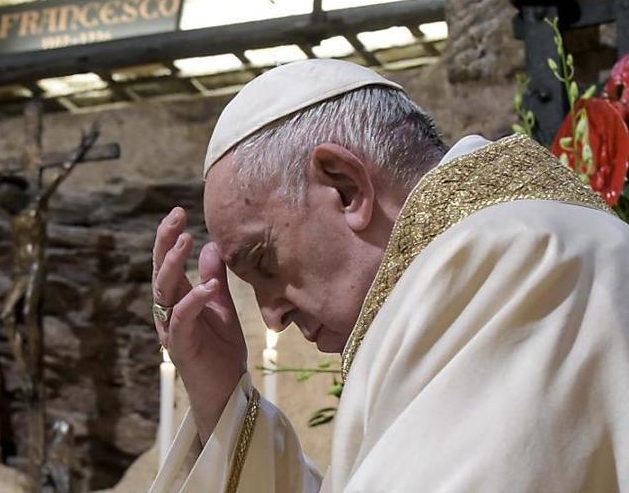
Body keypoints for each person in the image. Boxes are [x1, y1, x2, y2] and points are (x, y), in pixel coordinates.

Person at [148, 59, 629, 492]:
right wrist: (222, 400)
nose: (272, 317)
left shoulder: (514, 266)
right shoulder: (500, 255)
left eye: (263, 261)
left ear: (345, 187)